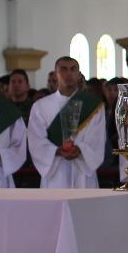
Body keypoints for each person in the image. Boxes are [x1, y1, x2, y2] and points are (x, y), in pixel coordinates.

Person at [27, 55, 105, 189]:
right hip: (55, 172)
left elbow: (97, 138)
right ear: (56, 74)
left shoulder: (94, 105)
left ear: (79, 74)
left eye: (73, 69)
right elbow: (36, 140)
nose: (69, 73)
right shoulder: (40, 106)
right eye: (63, 69)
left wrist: (79, 149)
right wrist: (57, 151)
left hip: (83, 170)